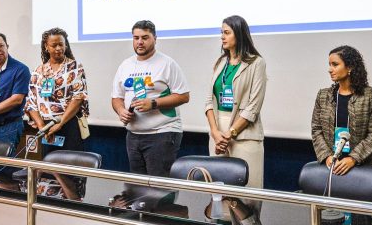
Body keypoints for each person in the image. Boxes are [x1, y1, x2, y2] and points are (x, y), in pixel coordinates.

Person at [111, 20, 190, 177]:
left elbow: (183, 96)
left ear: (155, 38)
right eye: (136, 38)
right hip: (133, 135)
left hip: (162, 132)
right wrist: (121, 111)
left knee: (158, 186)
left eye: (145, 38)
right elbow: (116, 97)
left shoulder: (167, 63)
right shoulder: (125, 65)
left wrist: (154, 103)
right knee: (137, 186)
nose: (140, 42)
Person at [204, 15, 267, 188]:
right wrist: (215, 133)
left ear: (239, 34)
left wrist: (229, 134)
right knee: (219, 190)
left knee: (247, 192)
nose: (222, 37)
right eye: (221, 33)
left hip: (244, 134)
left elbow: (253, 107)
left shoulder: (256, 63)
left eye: (226, 33)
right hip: (218, 133)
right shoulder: (220, 63)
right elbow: (209, 101)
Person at [26, 27, 90, 197]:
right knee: (49, 170)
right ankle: (50, 205)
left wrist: (60, 123)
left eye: (61, 44)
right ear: (46, 47)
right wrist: (42, 126)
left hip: (68, 125)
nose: (58, 48)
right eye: (54, 45)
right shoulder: (39, 71)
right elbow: (31, 102)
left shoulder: (75, 67)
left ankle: (72, 204)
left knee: (69, 172)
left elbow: (78, 98)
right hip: (46, 128)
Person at [311, 46, 372, 176]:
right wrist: (327, 156)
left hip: (361, 167)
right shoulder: (323, 95)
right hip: (331, 165)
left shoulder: (370, 95)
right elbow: (316, 129)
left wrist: (353, 159)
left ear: (350, 67)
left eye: (335, 64)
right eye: (329, 65)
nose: (330, 69)